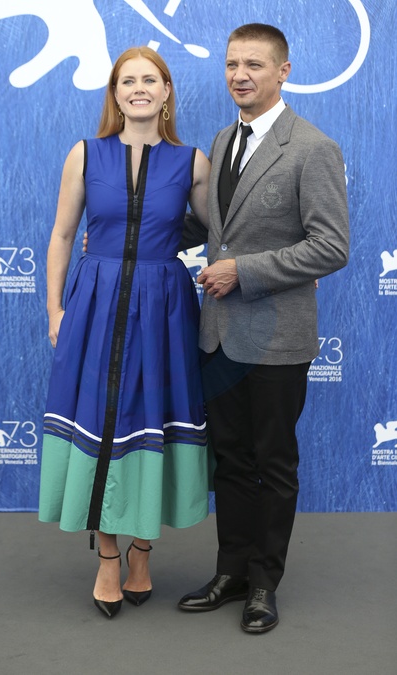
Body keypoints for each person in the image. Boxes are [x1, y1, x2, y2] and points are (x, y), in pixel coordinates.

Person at [177, 23, 349, 633]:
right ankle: (230, 572)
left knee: (273, 462)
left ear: (283, 72)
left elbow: (331, 246)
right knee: (229, 460)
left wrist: (242, 271)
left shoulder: (313, 148)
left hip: (277, 338)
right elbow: (214, 228)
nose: (240, 75)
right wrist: (129, 237)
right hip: (219, 335)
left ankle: (263, 584)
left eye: (254, 64)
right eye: (232, 64)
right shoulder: (224, 139)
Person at [38, 46, 211, 620]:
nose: (139, 88)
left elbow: (221, 229)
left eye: (150, 80)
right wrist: (55, 310)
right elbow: (63, 235)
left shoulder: (193, 162)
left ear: (166, 92)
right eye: (128, 80)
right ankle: (108, 557)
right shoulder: (85, 154)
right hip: (96, 304)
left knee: (152, 419)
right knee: (104, 420)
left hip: (164, 308)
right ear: (115, 93)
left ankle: (143, 551)